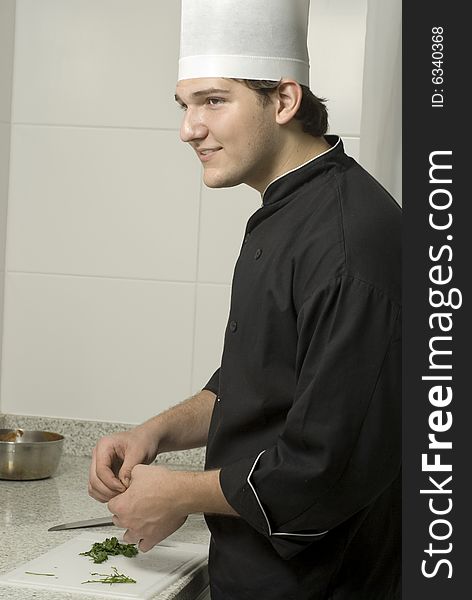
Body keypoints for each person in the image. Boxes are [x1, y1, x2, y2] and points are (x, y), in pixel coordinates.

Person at [88, 1, 401, 598]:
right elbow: (266, 380)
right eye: (185, 106)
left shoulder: (345, 243)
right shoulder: (289, 211)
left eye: (213, 101)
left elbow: (324, 469)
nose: (189, 129)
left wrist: (177, 491)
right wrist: (157, 432)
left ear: (283, 101)